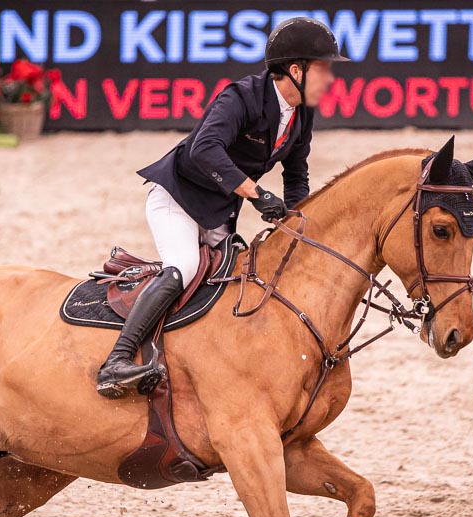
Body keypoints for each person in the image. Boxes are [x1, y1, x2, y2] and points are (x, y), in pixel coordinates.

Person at [95, 17, 350, 399]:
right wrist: (256, 193)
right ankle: (116, 361)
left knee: (237, 279)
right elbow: (204, 148)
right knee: (184, 267)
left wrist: (301, 223)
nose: (330, 78)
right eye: (323, 68)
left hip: (219, 213)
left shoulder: (301, 114)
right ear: (295, 70)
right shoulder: (241, 97)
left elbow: (296, 175)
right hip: (178, 199)